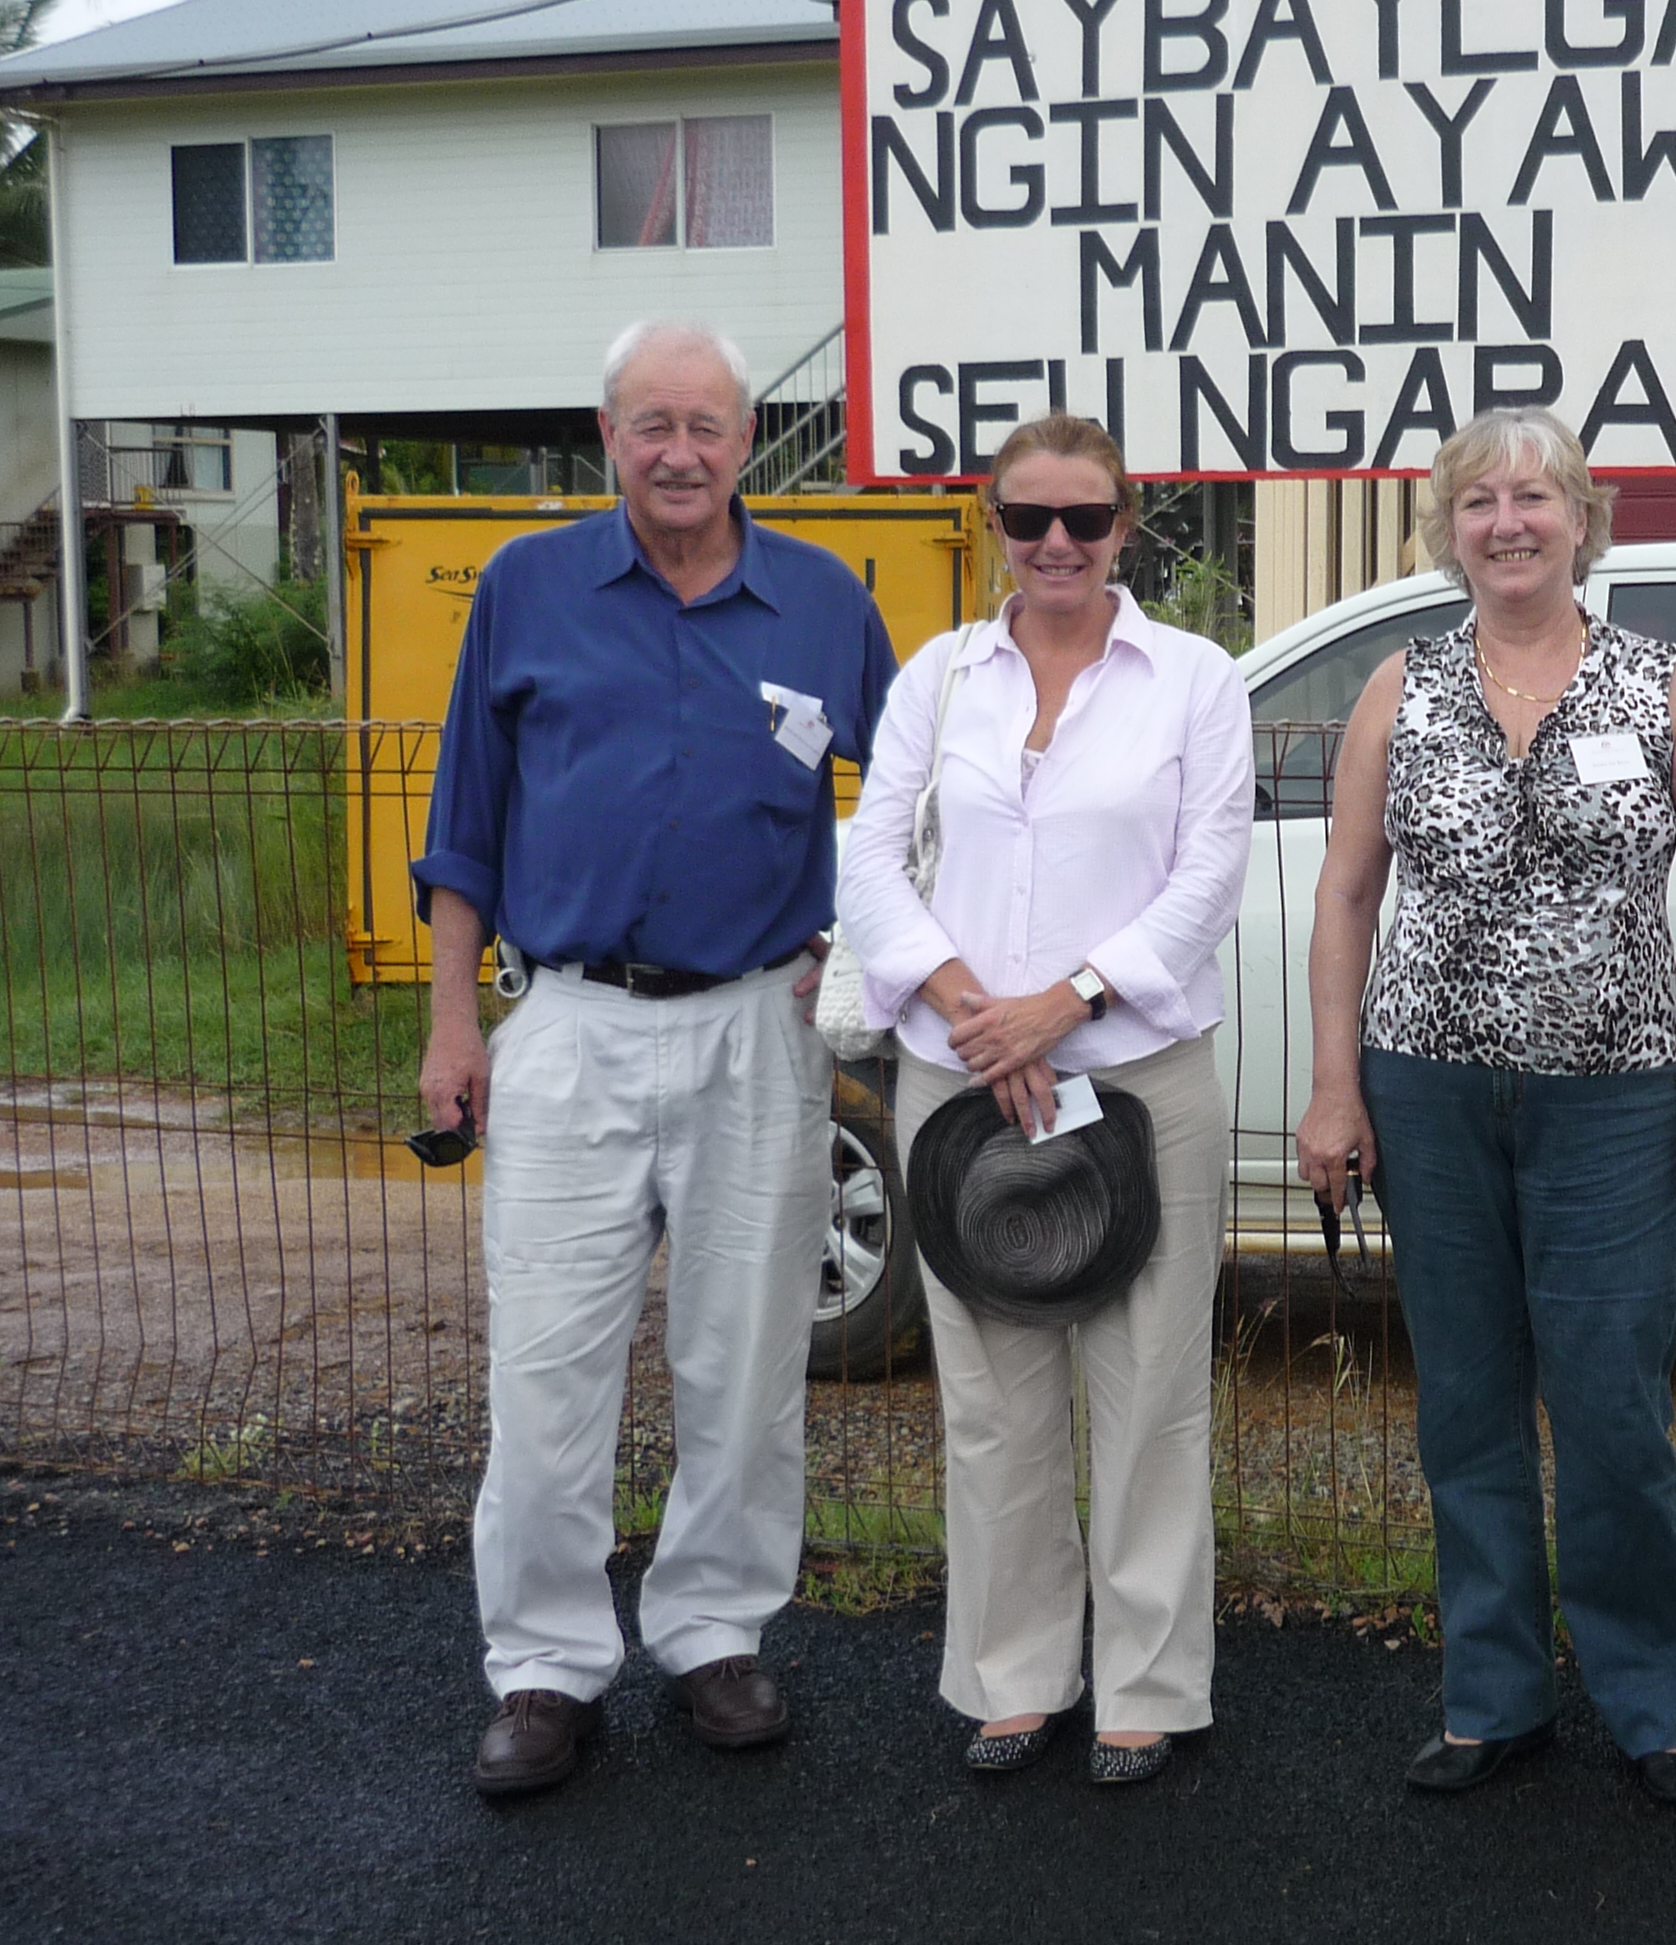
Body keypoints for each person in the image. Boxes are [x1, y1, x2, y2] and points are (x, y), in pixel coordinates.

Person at [416, 320, 898, 1798]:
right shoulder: (527, 589)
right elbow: (466, 820)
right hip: (568, 1024)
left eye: (706, 424)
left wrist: (856, 948)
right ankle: (546, 1666)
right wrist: (450, 1023)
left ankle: (713, 1630)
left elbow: (908, 799)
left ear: (748, 440)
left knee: (746, 1359)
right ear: (608, 437)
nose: (679, 452)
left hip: (759, 1026)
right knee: (549, 1363)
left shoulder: (823, 602)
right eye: (649, 426)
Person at [1294, 406, 1676, 1806]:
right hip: (1426, 1098)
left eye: (1535, 496)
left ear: (1581, 520)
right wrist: (1334, 1083)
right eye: (1480, 500)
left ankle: (1657, 1696)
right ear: (1449, 529)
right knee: (1470, 1406)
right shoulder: (1402, 687)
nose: (1508, 521)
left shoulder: (1657, 681)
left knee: (1613, 1402)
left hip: (1613, 1105)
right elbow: (1344, 893)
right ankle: (1493, 1694)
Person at [836, 413, 1248, 1784]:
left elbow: (1206, 881)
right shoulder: (938, 680)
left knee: (1148, 1394)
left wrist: (1060, 1004)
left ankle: (1145, 1682)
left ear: (1128, 525)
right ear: (993, 528)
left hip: (1134, 1077)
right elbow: (874, 862)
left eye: (1085, 519)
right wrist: (973, 1011)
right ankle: (1015, 1674)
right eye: (1030, 520)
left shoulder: (1193, 679)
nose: (1058, 544)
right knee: (994, 1397)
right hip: (962, 1085)